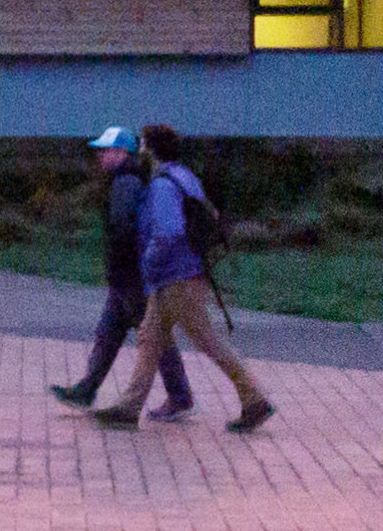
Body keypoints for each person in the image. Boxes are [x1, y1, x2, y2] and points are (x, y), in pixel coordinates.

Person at [98, 127, 276, 434]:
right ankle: (128, 407)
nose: (140, 149)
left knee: (208, 341)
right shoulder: (184, 176)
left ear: (152, 150)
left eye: (143, 144)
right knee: (150, 338)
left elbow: (169, 232)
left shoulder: (162, 185)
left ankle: (255, 399)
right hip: (182, 275)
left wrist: (148, 262)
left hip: (175, 278)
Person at [48, 121, 189, 417]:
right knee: (110, 332)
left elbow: (123, 228)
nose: (100, 156)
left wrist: (121, 265)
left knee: (153, 336)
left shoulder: (125, 182)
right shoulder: (129, 178)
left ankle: (179, 396)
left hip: (131, 276)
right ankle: (87, 389)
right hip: (129, 276)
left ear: (121, 152)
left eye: (105, 150)